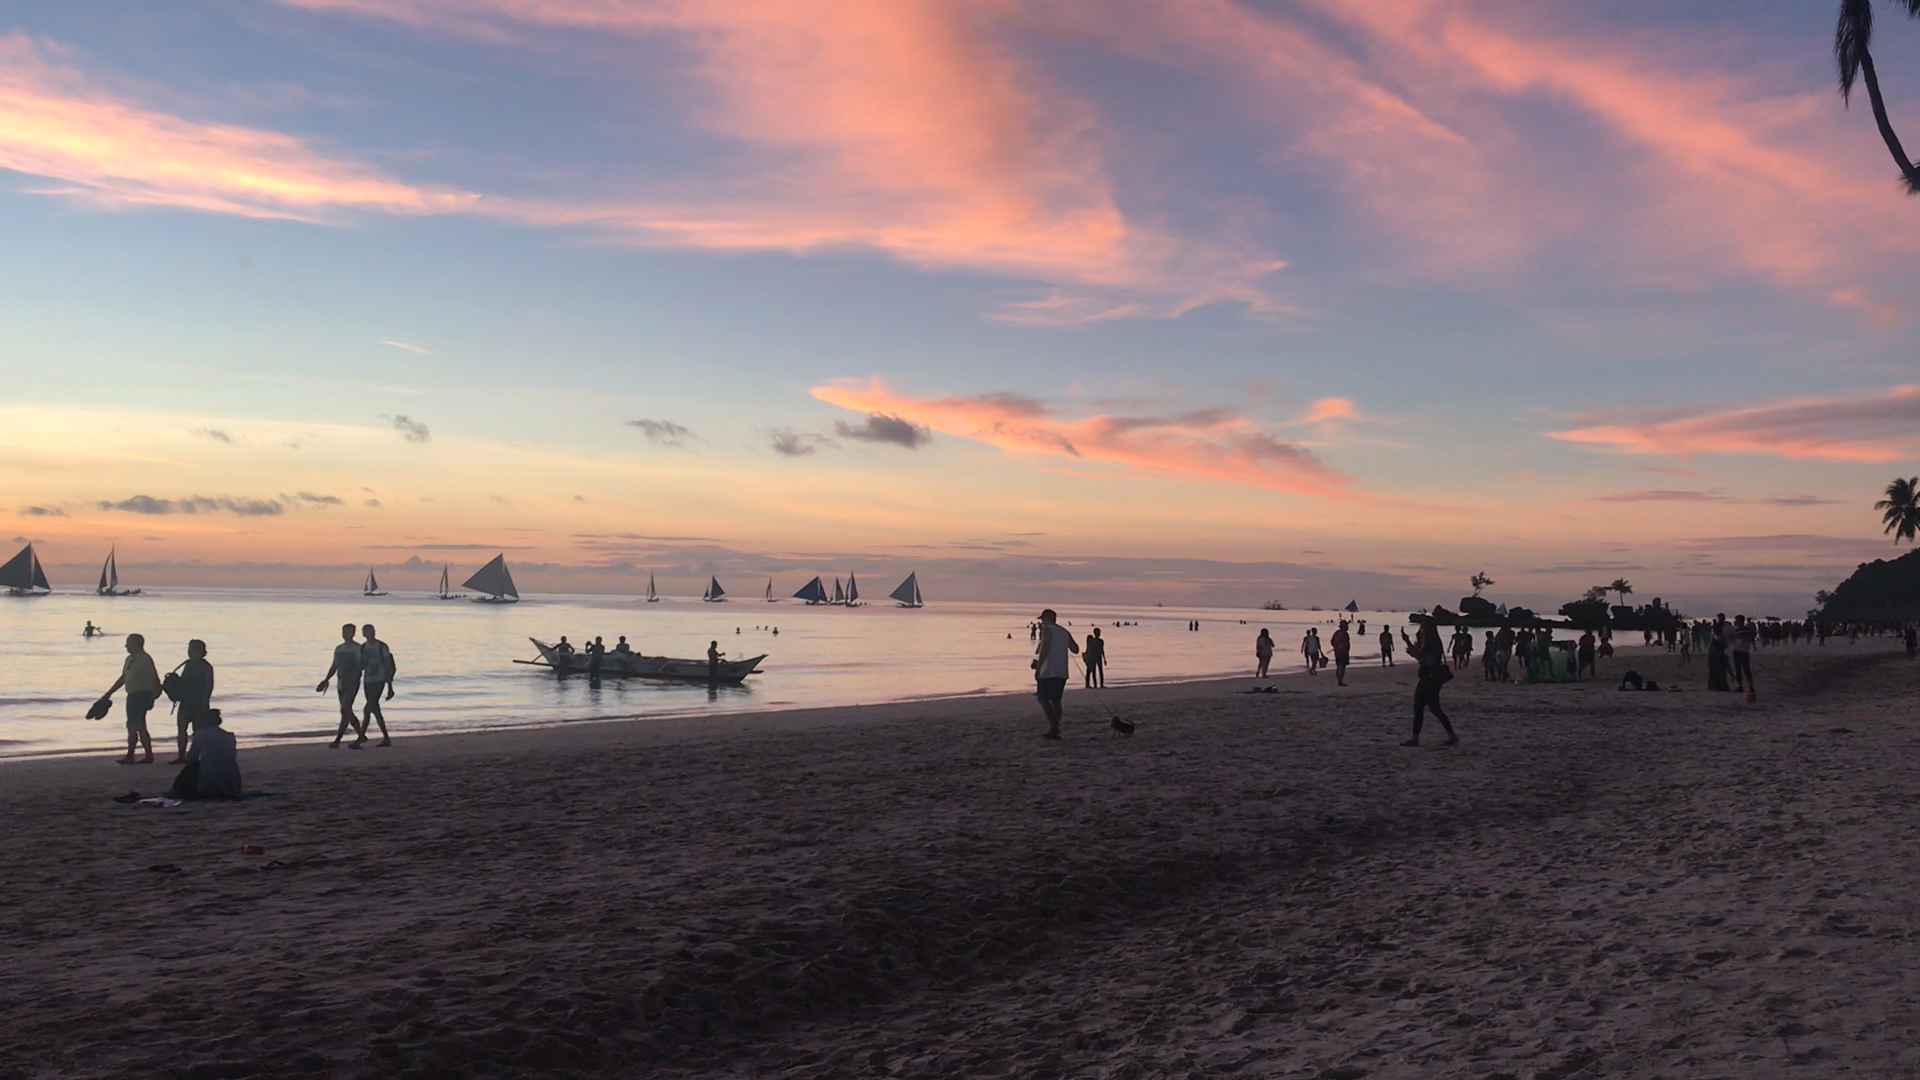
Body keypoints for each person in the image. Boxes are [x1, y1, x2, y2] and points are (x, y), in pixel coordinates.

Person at [95, 633, 161, 764]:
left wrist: (152, 699)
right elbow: (123, 678)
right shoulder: (129, 659)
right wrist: (108, 694)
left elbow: (156, 681)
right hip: (132, 696)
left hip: (142, 695)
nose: (126, 646)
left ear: (137, 644)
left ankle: (137, 755)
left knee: (137, 725)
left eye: (128, 643)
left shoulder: (145, 659)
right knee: (134, 726)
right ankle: (140, 754)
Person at [1399, 621, 1458, 747]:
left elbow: (1429, 662)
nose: (1420, 630)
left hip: (1429, 679)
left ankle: (1415, 739)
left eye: (1422, 628)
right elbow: (1419, 653)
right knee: (1434, 708)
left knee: (1420, 707)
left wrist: (1415, 655)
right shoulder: (1429, 643)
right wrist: (1407, 641)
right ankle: (1451, 735)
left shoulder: (1431, 644)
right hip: (1430, 679)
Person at [165, 708, 242, 801]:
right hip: (232, 778)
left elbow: (191, 758)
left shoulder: (201, 735)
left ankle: (176, 791)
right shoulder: (230, 736)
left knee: (191, 767)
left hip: (209, 778)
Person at [1032, 609, 1079, 740]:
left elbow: (1044, 650)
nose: (1042, 622)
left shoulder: (1048, 630)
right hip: (1062, 670)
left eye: (1042, 620)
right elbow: (1075, 649)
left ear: (1047, 619)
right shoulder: (1064, 631)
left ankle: (1054, 727)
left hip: (1048, 670)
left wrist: (1038, 668)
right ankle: (1055, 727)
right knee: (1056, 700)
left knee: (1043, 699)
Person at [316, 623, 364, 748]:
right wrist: (326, 679)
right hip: (341, 681)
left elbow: (359, 666)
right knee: (345, 712)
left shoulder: (357, 648)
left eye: (348, 632)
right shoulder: (339, 648)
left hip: (352, 681)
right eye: (343, 632)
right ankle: (338, 740)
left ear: (353, 633)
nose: (345, 634)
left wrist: (354, 679)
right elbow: (334, 665)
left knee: (345, 709)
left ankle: (361, 734)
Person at [170, 639, 215, 764]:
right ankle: (181, 756)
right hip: (185, 701)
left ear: (202, 652)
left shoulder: (205, 666)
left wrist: (204, 701)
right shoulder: (187, 664)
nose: (190, 652)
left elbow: (209, 685)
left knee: (198, 731)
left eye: (193, 650)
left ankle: (195, 756)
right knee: (181, 729)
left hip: (199, 702)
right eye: (189, 649)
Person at [359, 624, 396, 747]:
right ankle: (386, 738)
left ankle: (361, 737)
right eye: (368, 632)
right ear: (364, 634)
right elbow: (362, 665)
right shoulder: (363, 647)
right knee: (374, 709)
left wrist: (390, 686)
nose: (371, 634)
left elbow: (388, 665)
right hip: (368, 680)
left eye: (372, 631)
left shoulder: (381, 646)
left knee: (368, 708)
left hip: (379, 680)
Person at [1730, 615, 1757, 693]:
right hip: (1737, 650)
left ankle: (1750, 686)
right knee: (1738, 669)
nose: (1736, 622)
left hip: (1744, 651)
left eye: (1737, 620)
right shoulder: (1738, 630)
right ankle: (1740, 686)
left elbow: (1750, 634)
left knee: (1746, 669)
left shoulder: (1746, 630)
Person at [1331, 620, 1352, 686]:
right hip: (1343, 653)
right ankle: (1340, 681)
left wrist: (1335, 646)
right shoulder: (1345, 634)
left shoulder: (1336, 633)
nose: (1347, 627)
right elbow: (1347, 642)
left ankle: (1339, 681)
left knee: (1339, 667)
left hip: (1338, 652)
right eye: (1346, 626)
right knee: (1341, 667)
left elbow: (1332, 641)